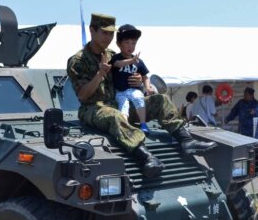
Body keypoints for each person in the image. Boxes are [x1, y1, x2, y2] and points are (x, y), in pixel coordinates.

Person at [67, 13, 214, 180]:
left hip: (120, 102)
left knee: (160, 100)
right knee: (115, 116)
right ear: (92, 30)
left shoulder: (113, 55)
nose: (108, 38)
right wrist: (100, 74)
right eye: (104, 33)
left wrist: (137, 82)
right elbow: (82, 96)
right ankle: (146, 157)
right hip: (93, 108)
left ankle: (186, 141)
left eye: (111, 34)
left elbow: (128, 79)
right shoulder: (78, 61)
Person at [109, 24, 153, 133]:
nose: (131, 46)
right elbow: (117, 64)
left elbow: (145, 76)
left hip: (134, 90)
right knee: (123, 107)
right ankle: (125, 126)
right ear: (119, 44)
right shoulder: (116, 57)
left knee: (139, 99)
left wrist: (148, 87)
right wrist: (131, 61)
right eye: (127, 43)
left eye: (133, 43)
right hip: (120, 91)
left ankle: (143, 123)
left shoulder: (139, 61)